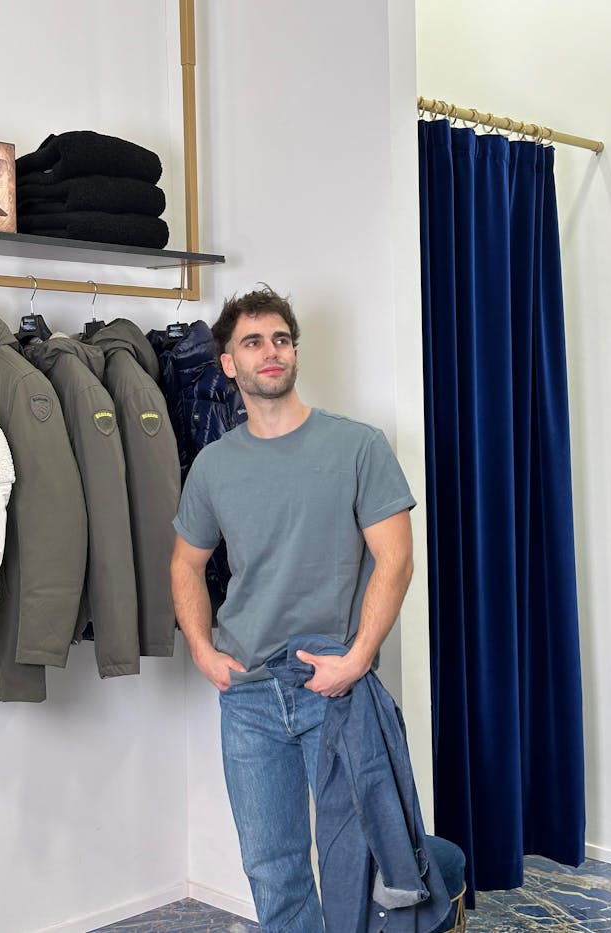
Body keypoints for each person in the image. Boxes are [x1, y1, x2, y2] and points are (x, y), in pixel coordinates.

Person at [170, 286, 416, 933]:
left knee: (357, 866)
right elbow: (184, 564)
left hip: (331, 688)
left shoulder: (358, 445)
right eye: (253, 341)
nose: (270, 351)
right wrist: (203, 649)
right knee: (272, 868)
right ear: (228, 363)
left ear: (294, 351)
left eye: (281, 338)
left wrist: (358, 659)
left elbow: (395, 560)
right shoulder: (215, 466)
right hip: (247, 697)